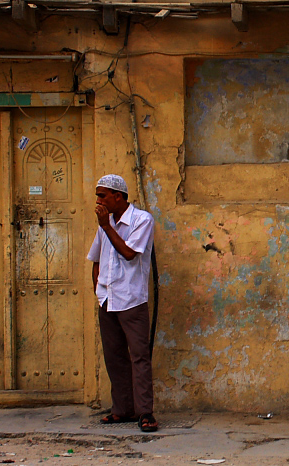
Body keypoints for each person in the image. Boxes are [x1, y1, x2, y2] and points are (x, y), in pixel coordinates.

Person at [86, 174, 158, 432]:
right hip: (107, 299)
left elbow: (129, 254)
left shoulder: (141, 220)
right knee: (114, 357)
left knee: (139, 357)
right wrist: (97, 288)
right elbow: (96, 257)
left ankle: (145, 413)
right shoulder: (105, 224)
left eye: (102, 195)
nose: (98, 201)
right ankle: (122, 410)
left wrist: (107, 226)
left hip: (131, 300)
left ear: (118, 196)